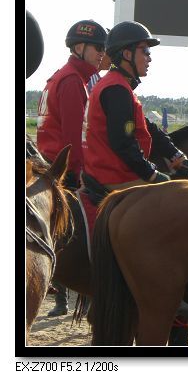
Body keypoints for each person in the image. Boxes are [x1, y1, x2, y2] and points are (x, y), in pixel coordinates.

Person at [81, 20, 188, 317]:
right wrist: (153, 175)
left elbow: (149, 131)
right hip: (114, 177)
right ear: (125, 55)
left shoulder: (121, 87)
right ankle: (164, 289)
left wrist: (177, 158)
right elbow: (124, 145)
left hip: (113, 171)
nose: (149, 57)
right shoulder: (116, 90)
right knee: (174, 206)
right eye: (145, 50)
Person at [36, 20, 106, 317]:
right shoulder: (71, 82)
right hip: (62, 172)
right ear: (80, 48)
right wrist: (85, 175)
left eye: (104, 48)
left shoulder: (66, 77)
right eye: (98, 48)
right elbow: (73, 141)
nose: (102, 53)